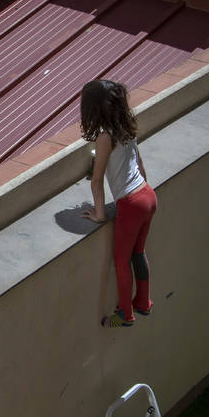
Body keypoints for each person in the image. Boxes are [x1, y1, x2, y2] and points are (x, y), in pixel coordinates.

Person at [80, 79, 157, 328]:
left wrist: (100, 215)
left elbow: (97, 179)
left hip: (131, 203)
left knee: (120, 260)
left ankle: (126, 313)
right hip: (147, 195)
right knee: (138, 252)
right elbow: (139, 163)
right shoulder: (126, 126)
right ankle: (143, 302)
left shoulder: (105, 135)